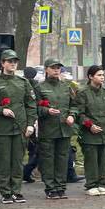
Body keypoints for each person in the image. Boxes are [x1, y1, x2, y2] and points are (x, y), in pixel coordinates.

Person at [0, 49, 36, 204]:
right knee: (4, 161)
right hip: (2, 128)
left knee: (17, 161)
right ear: (2, 63)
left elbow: (31, 105)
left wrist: (30, 125)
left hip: (20, 127)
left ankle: (17, 191)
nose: (12, 64)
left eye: (15, 61)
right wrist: (1, 110)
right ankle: (5, 192)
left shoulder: (23, 82)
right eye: (9, 61)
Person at [34, 59, 76, 200]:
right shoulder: (40, 87)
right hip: (48, 129)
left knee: (62, 159)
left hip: (64, 129)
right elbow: (34, 108)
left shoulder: (66, 86)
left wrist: (71, 115)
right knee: (48, 159)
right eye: (53, 68)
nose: (56, 70)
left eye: (58, 67)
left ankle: (61, 187)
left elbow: (74, 105)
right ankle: (50, 188)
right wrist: (46, 110)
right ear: (46, 69)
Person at [73, 64, 105, 195]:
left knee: (103, 159)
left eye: (103, 75)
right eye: (99, 75)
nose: (102, 77)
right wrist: (89, 125)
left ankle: (102, 183)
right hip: (89, 133)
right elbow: (79, 113)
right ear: (91, 76)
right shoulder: (83, 92)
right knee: (91, 159)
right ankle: (91, 184)